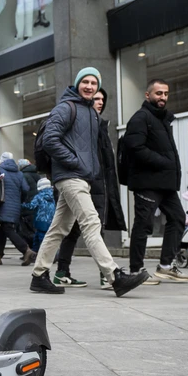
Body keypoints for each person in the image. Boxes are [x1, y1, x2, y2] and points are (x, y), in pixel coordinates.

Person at [30, 68, 147, 297]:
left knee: (59, 228)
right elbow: (50, 141)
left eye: (94, 82)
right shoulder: (66, 108)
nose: (89, 86)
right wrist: (75, 163)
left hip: (80, 177)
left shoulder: (91, 113)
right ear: (77, 84)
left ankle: (39, 275)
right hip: (70, 176)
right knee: (91, 223)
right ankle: (115, 276)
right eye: (85, 81)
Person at [54, 89, 127, 289]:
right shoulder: (84, 126)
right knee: (90, 227)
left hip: (96, 183)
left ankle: (56, 272)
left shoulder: (100, 125)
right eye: (96, 98)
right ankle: (107, 275)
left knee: (71, 229)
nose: (100, 102)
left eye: (103, 99)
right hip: (85, 182)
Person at [124, 78, 188, 282]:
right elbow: (135, 147)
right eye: (158, 93)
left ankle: (166, 265)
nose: (162, 97)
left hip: (165, 183)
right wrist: (163, 162)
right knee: (143, 225)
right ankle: (136, 270)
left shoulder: (162, 119)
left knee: (178, 218)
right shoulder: (141, 117)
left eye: (166, 94)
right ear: (148, 95)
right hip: (148, 182)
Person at [0, 152, 36, 266]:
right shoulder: (19, 173)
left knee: (8, 229)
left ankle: (26, 250)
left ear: (2, 160)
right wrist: (20, 200)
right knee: (3, 230)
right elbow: (25, 189)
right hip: (16, 206)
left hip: (2, 204)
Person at [23, 177, 55, 252]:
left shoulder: (39, 196)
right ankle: (36, 253)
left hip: (40, 220)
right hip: (51, 220)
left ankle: (41, 253)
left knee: (39, 239)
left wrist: (23, 205)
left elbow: (32, 206)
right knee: (43, 237)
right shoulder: (53, 196)